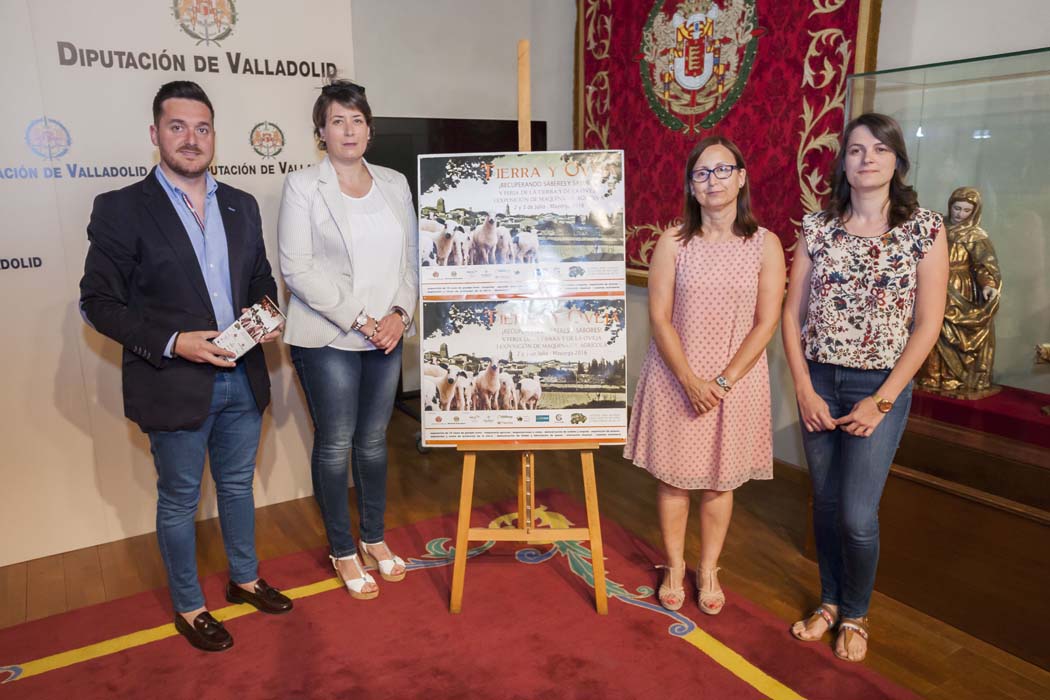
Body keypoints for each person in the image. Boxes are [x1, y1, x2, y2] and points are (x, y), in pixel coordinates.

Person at [79, 81, 292, 653]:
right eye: (177, 127)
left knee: (238, 487)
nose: (191, 139)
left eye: (202, 127)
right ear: (155, 134)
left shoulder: (240, 204)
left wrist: (266, 315)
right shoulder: (121, 208)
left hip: (243, 378)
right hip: (173, 382)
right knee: (178, 498)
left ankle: (245, 581)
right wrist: (176, 342)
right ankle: (190, 606)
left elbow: (259, 281)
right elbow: (98, 303)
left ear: (214, 136)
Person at [782, 113, 948, 662]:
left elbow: (928, 323)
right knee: (825, 504)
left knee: (857, 513)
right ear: (843, 162)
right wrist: (803, 388)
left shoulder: (925, 228)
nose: (867, 159)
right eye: (856, 150)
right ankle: (828, 602)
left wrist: (882, 400)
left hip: (882, 383)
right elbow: (791, 314)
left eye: (879, 149)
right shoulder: (817, 227)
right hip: (820, 379)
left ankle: (856, 613)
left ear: (897, 160)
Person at [624, 136, 785, 615]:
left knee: (719, 482)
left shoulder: (765, 244)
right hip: (677, 375)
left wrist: (723, 382)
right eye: (701, 173)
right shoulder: (673, 242)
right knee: (675, 480)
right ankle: (674, 565)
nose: (712, 181)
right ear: (691, 187)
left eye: (722, 170)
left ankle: (709, 567)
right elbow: (659, 317)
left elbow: (767, 321)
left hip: (736, 381)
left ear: (741, 178)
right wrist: (691, 380)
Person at [278, 80, 418, 600]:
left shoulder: (394, 183)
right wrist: (364, 320)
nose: (348, 129)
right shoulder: (302, 186)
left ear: (370, 128)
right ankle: (342, 548)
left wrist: (400, 313)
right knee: (336, 444)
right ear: (321, 131)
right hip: (329, 338)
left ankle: (375, 538)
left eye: (356, 119)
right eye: (337, 120)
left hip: (387, 335)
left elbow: (411, 260)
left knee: (375, 443)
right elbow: (297, 268)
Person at [915, 186, 1002, 398]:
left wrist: (988, 285)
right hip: (934, 283)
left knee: (952, 335)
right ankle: (932, 375)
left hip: (960, 291)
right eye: (956, 208)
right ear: (950, 205)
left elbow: (984, 265)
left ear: (974, 212)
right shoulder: (938, 227)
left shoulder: (976, 236)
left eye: (966, 210)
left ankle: (954, 378)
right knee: (930, 330)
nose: (959, 214)